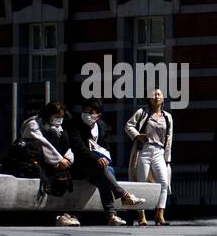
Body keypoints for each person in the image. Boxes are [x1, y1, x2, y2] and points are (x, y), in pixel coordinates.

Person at [67, 99, 146, 225]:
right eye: (84, 111)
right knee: (104, 170)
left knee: (105, 173)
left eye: (90, 112)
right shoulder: (75, 125)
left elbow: (106, 148)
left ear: (98, 115)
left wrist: (106, 159)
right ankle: (123, 196)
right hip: (79, 167)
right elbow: (79, 148)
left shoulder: (102, 127)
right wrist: (96, 158)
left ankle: (111, 216)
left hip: (97, 168)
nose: (86, 114)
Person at [125, 88, 174, 225]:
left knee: (164, 182)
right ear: (149, 99)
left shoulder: (167, 117)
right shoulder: (142, 112)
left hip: (159, 151)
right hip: (144, 150)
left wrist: (167, 159)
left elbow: (169, 139)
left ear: (163, 98)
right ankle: (142, 216)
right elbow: (128, 125)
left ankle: (160, 214)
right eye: (154, 95)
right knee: (142, 183)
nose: (157, 96)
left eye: (159, 94)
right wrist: (137, 136)